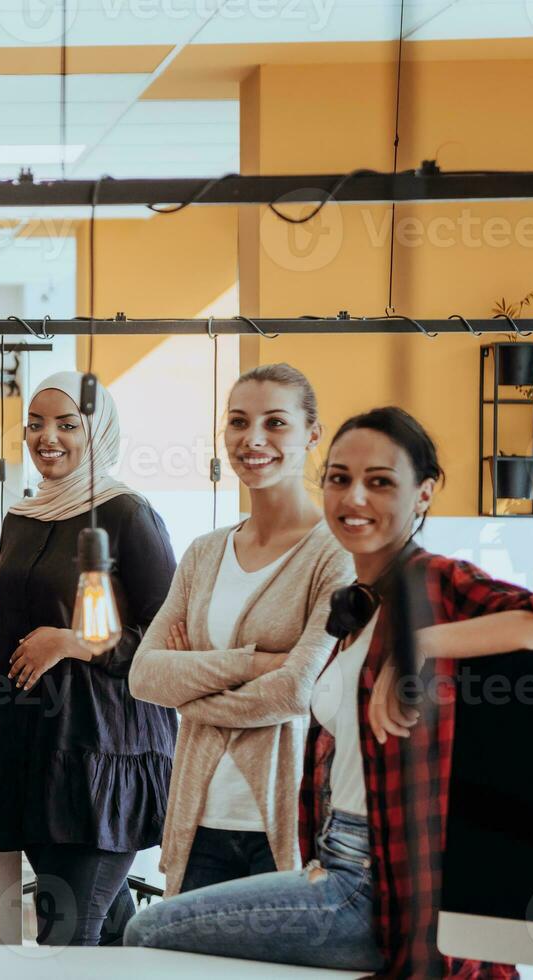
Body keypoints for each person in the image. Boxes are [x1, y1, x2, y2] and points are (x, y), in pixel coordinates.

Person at [127, 407, 533, 977]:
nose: (354, 497)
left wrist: (419, 644)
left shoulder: (432, 581)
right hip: (335, 864)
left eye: (380, 481)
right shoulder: (357, 604)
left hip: (384, 890)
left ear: (424, 494)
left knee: (149, 929)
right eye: (339, 478)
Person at [129, 364, 354, 896]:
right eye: (238, 422)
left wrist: (190, 695)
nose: (253, 439)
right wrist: (255, 664)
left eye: (276, 423)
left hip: (288, 827)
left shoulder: (335, 553)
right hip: (198, 821)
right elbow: (144, 675)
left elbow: (300, 688)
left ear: (312, 435)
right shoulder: (204, 553)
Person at [0, 371, 177, 946]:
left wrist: (70, 641)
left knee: (65, 933)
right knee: (104, 928)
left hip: (104, 751)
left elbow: (172, 640)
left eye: (67, 424)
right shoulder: (21, 519)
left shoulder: (128, 513)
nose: (47, 437)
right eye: (35, 425)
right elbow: (10, 629)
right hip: (32, 750)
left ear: (98, 429)